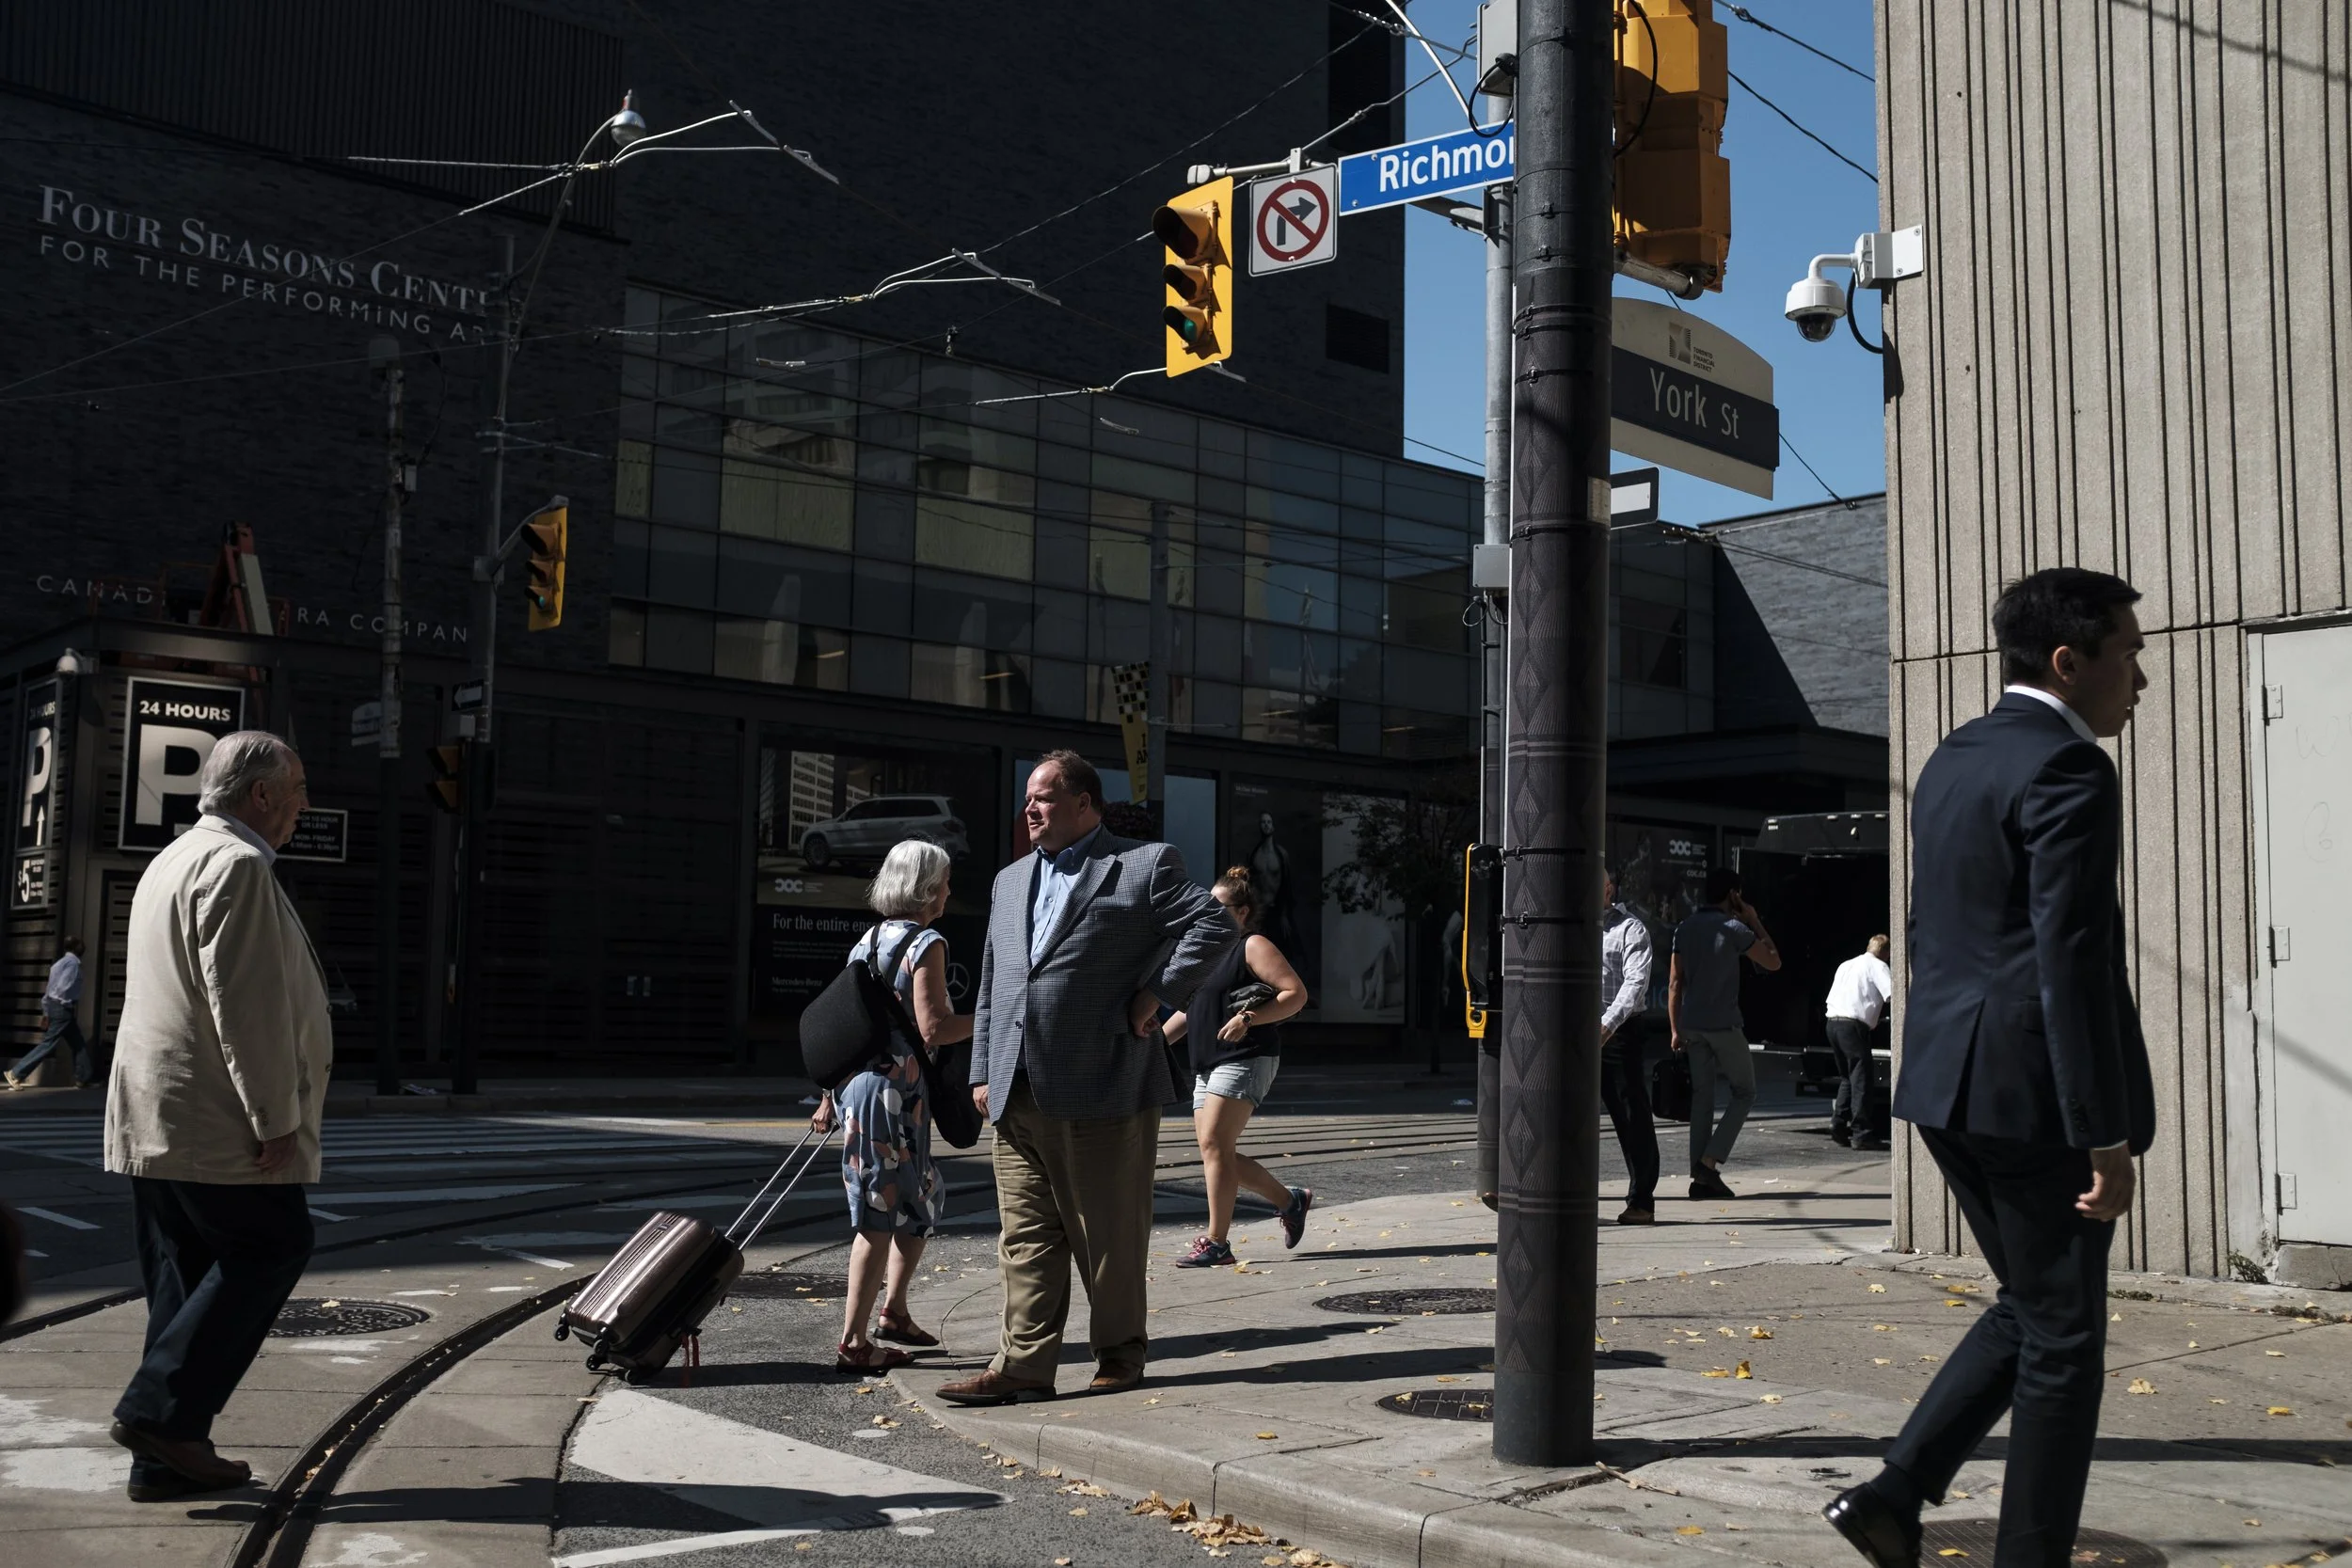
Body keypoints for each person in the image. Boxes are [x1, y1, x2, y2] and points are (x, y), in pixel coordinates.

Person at [1824, 568, 2155, 1568]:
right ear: (2068, 660)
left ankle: (1893, 1493)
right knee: (2064, 1343)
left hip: (1944, 1084)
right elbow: (2069, 959)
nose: (2140, 675)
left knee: (2034, 1303)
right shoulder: (2068, 768)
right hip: (2031, 1095)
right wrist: (2102, 1128)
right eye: (2128, 652)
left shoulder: (1952, 757)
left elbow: (1936, 929)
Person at [936, 751, 1234, 1405]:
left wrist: (1156, 993)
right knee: (1024, 1237)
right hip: (1016, 1090)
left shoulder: (1143, 865)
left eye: (1043, 798)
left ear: (1084, 802)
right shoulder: (1010, 880)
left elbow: (1215, 922)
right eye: (1026, 801)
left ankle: (1121, 1354)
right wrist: (981, 1067)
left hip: (1103, 1085)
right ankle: (1022, 1364)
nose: (1030, 810)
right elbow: (993, 982)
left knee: (1109, 1233)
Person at [103, 732, 329, 1503]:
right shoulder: (236, 866)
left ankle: (164, 1458)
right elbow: (248, 1005)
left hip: (157, 1113)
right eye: (296, 787)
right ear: (260, 794)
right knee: (272, 1242)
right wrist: (275, 1116)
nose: (304, 802)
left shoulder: (172, 859)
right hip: (213, 1117)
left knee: (184, 1277)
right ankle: (156, 1417)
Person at [811, 839, 970, 1372]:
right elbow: (935, 1028)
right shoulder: (926, 942)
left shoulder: (870, 939)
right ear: (927, 887)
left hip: (867, 1088)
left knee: (923, 1197)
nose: (950, 888)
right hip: (892, 1095)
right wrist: (1000, 1017)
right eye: (945, 879)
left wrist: (831, 1095)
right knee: (879, 1214)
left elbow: (848, 1028)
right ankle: (855, 1343)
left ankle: (895, 1312)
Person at [1164, 865, 1311, 1267]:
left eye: (1217, 906)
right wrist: (1155, 1040)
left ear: (1242, 912)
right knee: (1217, 1151)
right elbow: (1189, 1010)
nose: (1207, 913)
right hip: (1207, 1062)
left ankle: (1216, 1241)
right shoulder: (1205, 952)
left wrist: (1249, 1018)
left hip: (1247, 1056)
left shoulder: (1252, 946)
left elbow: (1295, 995)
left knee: (1214, 1146)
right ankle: (1289, 1200)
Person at [1669, 865, 1782, 1198]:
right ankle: (1710, 1161)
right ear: (1733, 895)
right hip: (1724, 1024)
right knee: (1745, 1092)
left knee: (1702, 1100)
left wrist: (1674, 1029)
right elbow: (1773, 962)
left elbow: (1675, 984)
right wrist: (1754, 920)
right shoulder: (1734, 928)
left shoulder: (1684, 927)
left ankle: (1700, 1178)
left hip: (1691, 1025)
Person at [1599, 866, 1658, 1224]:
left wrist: (1606, 1025)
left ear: (1608, 889)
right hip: (1571, 1032)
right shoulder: (1567, 925)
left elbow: (1635, 982)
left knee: (1630, 1114)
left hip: (1617, 1032)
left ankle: (1641, 1201)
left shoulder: (1630, 929)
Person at [1824, 935, 1894, 1150]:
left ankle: (1837, 1123)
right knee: (1861, 1078)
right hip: (1853, 1027)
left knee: (1848, 1077)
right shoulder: (1879, 966)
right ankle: (1862, 1133)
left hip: (1832, 1024)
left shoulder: (1846, 964)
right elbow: (1894, 995)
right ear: (1887, 952)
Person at [6, 935, 94, 1088]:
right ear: (76, 948)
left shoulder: (58, 964)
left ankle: (83, 1078)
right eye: (81, 945)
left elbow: (48, 991)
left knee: (77, 1042)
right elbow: (61, 988)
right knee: (48, 1044)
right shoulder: (72, 964)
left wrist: (47, 1011)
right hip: (63, 1008)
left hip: (56, 1007)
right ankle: (16, 1073)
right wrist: (65, 1003)